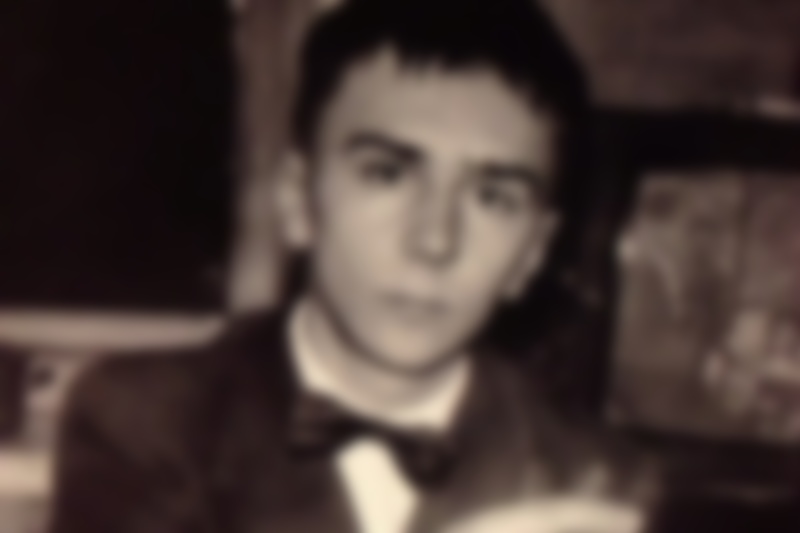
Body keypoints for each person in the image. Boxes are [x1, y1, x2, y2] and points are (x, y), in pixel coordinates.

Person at [48, 0, 657, 532]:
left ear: (532, 253)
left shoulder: (595, 474)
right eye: (387, 174)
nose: (435, 241)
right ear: (299, 201)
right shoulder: (145, 421)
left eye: (492, 198)